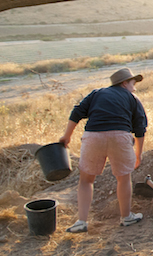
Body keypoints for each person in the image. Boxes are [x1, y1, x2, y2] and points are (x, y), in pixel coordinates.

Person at [59, 68, 148, 233]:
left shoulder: (97, 93)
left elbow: (76, 112)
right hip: (120, 137)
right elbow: (140, 129)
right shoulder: (133, 99)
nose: (134, 87)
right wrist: (139, 154)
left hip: (93, 137)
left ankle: (81, 221)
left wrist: (67, 136)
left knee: (86, 180)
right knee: (123, 179)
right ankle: (126, 217)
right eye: (132, 83)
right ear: (124, 83)